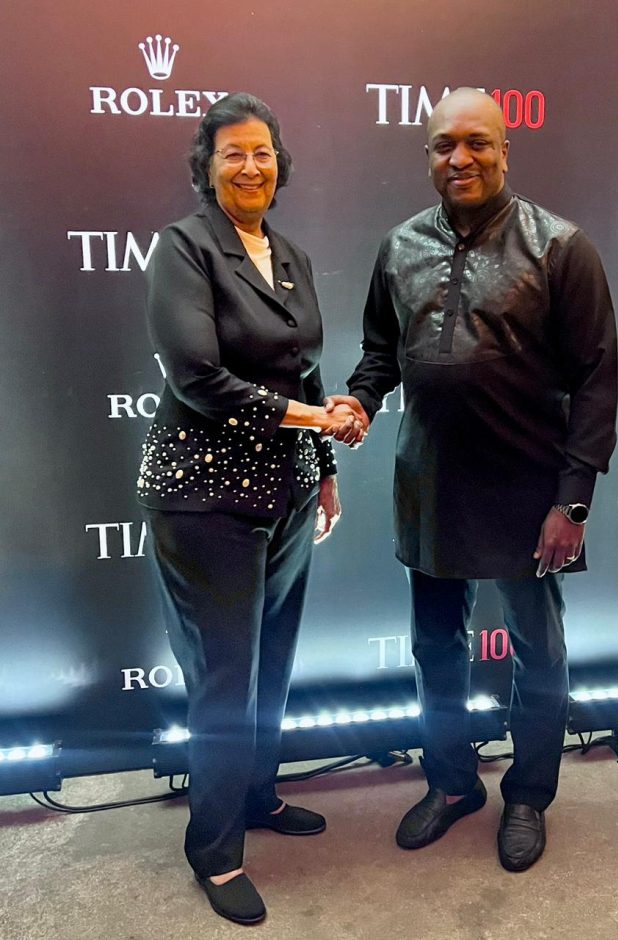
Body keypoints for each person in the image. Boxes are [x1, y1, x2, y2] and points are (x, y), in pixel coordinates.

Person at [327, 88, 618, 872]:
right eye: (444, 145)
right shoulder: (399, 247)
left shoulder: (561, 247)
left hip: (530, 489)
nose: (461, 158)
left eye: (478, 143)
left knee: (538, 651)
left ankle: (528, 794)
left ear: (505, 150)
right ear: (427, 155)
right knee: (435, 647)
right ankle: (452, 783)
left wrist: (573, 500)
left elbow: (596, 381)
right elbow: (380, 351)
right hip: (430, 482)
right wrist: (359, 400)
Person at [137, 92, 361, 925]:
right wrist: (315, 420)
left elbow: (303, 365)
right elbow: (196, 374)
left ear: (279, 164)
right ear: (207, 167)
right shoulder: (183, 248)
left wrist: (324, 466)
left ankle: (257, 796)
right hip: (205, 499)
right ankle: (216, 851)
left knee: (272, 666)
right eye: (233, 152)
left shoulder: (290, 255)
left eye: (262, 151)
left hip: (288, 495)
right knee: (226, 682)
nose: (250, 166)